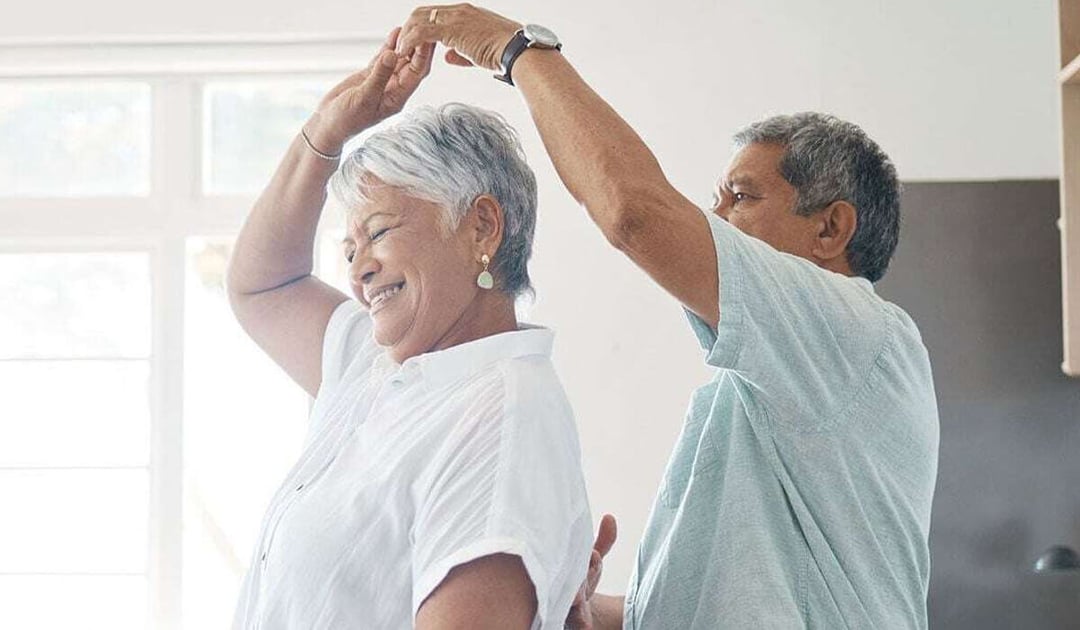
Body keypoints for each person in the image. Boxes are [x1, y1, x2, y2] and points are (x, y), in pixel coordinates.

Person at [395, 5, 941, 629]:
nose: (716, 217)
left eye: (740, 196)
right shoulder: (764, 389)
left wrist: (518, 51)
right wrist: (588, 614)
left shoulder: (859, 332)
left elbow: (637, 216)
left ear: (830, 227)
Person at [225, 29, 592, 629]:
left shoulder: (502, 419)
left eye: (379, 232)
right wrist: (326, 133)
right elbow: (262, 286)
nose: (359, 267)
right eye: (349, 248)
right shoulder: (374, 361)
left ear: (480, 228)